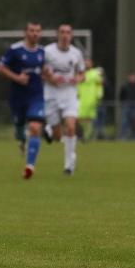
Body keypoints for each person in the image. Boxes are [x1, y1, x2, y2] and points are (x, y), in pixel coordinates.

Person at [0, 22, 47, 179]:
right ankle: (21, 139)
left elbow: (46, 71)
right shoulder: (15, 50)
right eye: (32, 31)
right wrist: (17, 78)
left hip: (36, 97)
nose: (35, 34)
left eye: (37, 31)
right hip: (18, 98)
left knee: (34, 127)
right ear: (25, 32)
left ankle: (29, 166)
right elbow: (0, 69)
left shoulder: (43, 52)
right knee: (19, 128)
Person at [43, 24, 86, 175]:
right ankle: (50, 129)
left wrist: (77, 79)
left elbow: (82, 74)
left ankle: (69, 165)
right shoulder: (47, 51)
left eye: (68, 32)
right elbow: (40, 72)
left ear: (71, 35)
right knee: (56, 136)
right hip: (51, 93)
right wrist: (51, 77)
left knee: (71, 127)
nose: (65, 35)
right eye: (62, 32)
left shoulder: (76, 53)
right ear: (57, 35)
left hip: (69, 93)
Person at [77, 59, 103, 142]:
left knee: (89, 118)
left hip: (91, 99)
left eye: (88, 63)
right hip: (81, 99)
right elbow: (76, 84)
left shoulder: (95, 73)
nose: (87, 64)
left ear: (91, 64)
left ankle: (86, 136)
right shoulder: (80, 74)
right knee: (79, 118)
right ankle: (82, 134)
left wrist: (99, 95)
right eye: (85, 63)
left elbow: (99, 85)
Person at [118, 72, 135, 140]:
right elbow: (121, 97)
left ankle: (134, 136)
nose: (132, 78)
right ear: (128, 78)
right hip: (126, 105)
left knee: (134, 121)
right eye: (131, 77)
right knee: (124, 121)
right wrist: (122, 104)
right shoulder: (124, 87)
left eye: (133, 77)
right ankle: (123, 136)